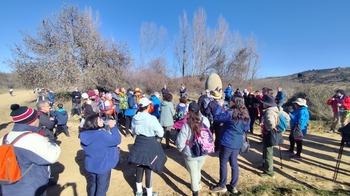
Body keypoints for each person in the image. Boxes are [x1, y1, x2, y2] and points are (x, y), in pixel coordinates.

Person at [0, 104, 61, 196]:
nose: (38, 120)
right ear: (31, 121)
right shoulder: (32, 138)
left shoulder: (4, 138)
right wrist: (50, 143)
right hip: (30, 188)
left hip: (7, 187)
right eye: (37, 118)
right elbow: (53, 156)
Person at [210, 96, 250, 194]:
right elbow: (246, 128)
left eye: (231, 101)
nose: (229, 102)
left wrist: (219, 106)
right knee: (234, 163)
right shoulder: (245, 114)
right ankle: (233, 186)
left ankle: (222, 185)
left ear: (234, 102)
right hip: (238, 143)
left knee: (223, 163)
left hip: (227, 142)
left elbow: (216, 118)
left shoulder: (230, 113)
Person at [128, 97, 166, 196]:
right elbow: (161, 133)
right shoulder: (151, 118)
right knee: (149, 168)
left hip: (139, 142)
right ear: (148, 107)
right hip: (149, 143)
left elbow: (133, 131)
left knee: (139, 167)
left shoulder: (135, 118)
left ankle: (139, 192)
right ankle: (149, 194)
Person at [79, 114, 121, 196]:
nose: (102, 120)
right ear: (95, 123)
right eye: (99, 119)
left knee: (93, 185)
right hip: (103, 166)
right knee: (102, 189)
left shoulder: (84, 134)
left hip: (91, 164)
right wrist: (113, 127)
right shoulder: (101, 134)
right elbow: (117, 140)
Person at [176, 102, 210, 196]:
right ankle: (198, 184)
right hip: (203, 150)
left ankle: (195, 192)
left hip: (190, 152)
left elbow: (180, 140)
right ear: (199, 110)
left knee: (193, 172)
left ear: (189, 111)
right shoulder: (205, 120)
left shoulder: (187, 124)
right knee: (198, 169)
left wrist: (180, 148)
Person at [259, 95, 279, 179]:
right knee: (266, 150)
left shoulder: (269, 112)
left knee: (268, 152)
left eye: (263, 103)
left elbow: (271, 123)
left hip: (269, 133)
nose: (262, 104)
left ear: (267, 104)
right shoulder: (276, 110)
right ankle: (265, 166)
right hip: (270, 133)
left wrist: (268, 127)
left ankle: (269, 172)